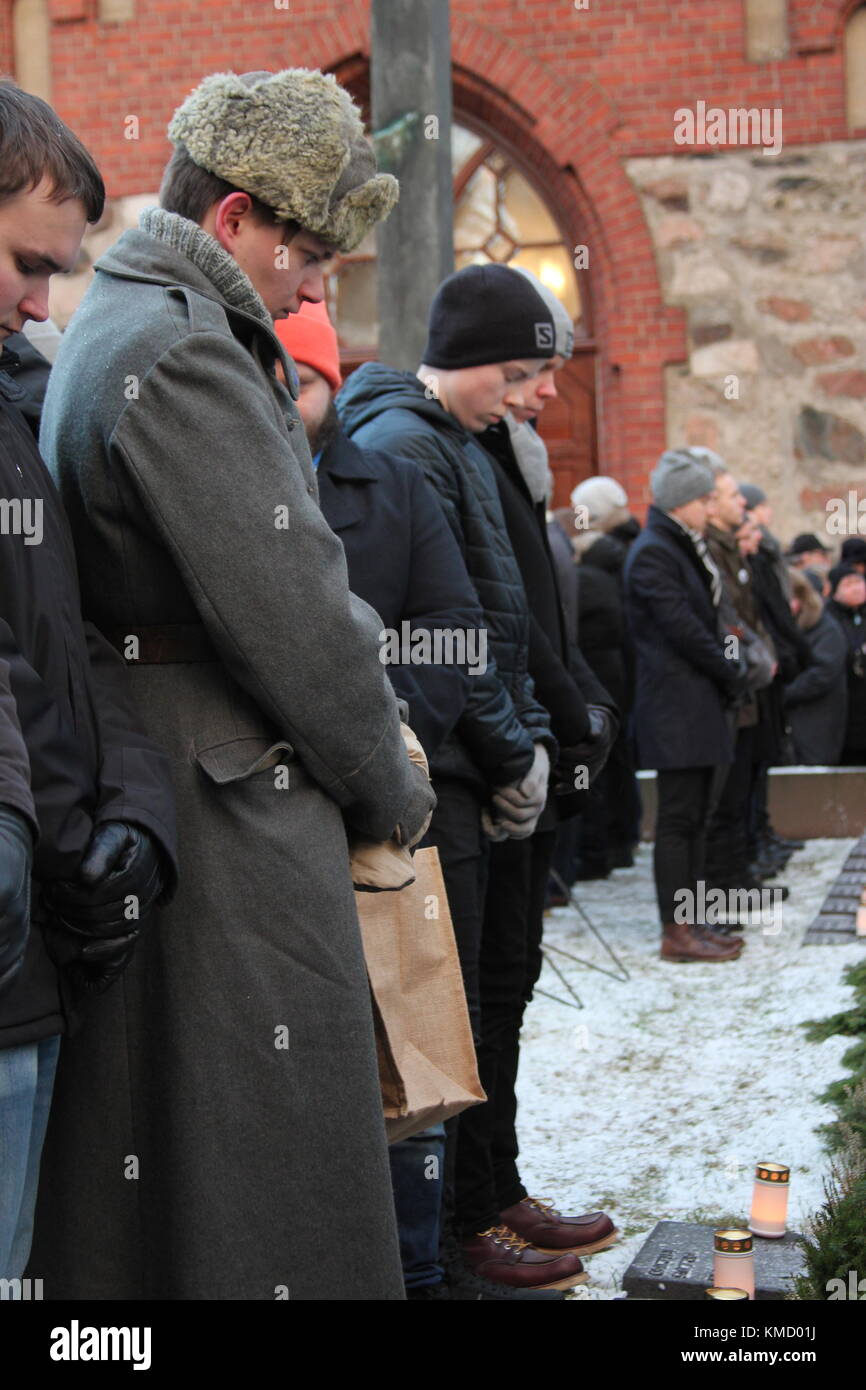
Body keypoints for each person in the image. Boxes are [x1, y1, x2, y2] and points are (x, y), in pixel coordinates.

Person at [34, 67, 434, 1301]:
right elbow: (296, 620)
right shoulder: (179, 351)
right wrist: (391, 786)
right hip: (222, 805)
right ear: (233, 219)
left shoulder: (144, 322)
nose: (317, 286)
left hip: (188, 778)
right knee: (259, 1177)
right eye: (306, 249)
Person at [338, 264, 592, 1293]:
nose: (537, 395)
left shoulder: (461, 440)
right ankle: (457, 1230)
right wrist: (507, 749)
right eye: (524, 373)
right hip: (449, 774)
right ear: (473, 360)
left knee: (500, 990)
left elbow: (510, 605)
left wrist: (550, 726)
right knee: (458, 1013)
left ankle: (494, 1189)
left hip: (486, 760)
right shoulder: (409, 443)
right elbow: (452, 635)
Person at [274, 299, 493, 1299]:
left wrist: (385, 739)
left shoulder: (392, 485)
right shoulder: (223, 480)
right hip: (267, 831)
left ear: (332, 383)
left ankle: (415, 1266)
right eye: (270, 372)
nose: (285, 395)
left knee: (408, 1059)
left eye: (305, 376)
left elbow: (451, 623)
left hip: (386, 821)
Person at [0, 81, 177, 1285]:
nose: (38, 302)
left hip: (44, 947)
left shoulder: (17, 400)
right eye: (22, 260)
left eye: (56, 271)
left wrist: (136, 814)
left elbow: (77, 637)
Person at [624, 449, 747, 963]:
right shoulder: (656, 550)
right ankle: (677, 931)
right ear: (682, 502)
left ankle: (694, 920)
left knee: (696, 818)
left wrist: (728, 660)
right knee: (678, 821)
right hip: (676, 706)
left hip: (696, 703)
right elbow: (684, 630)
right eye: (703, 498)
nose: (710, 506)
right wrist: (729, 665)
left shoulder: (680, 545)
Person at [784, 569, 847, 765]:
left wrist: (782, 694)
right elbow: (733, 640)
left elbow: (823, 673)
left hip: (815, 724)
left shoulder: (825, 628)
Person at [826, 565, 866, 766]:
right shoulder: (827, 619)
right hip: (842, 709)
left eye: (859, 581)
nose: (857, 588)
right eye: (848, 584)